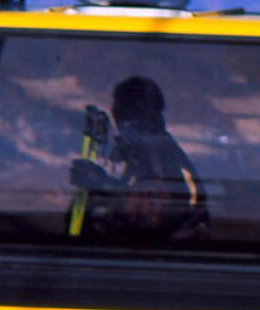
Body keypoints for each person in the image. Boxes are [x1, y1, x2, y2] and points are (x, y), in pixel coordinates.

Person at [70, 75, 209, 241]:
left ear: (153, 115)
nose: (126, 125)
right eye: (121, 116)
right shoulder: (128, 152)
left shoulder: (163, 155)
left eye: (132, 115)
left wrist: (104, 187)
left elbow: (157, 213)